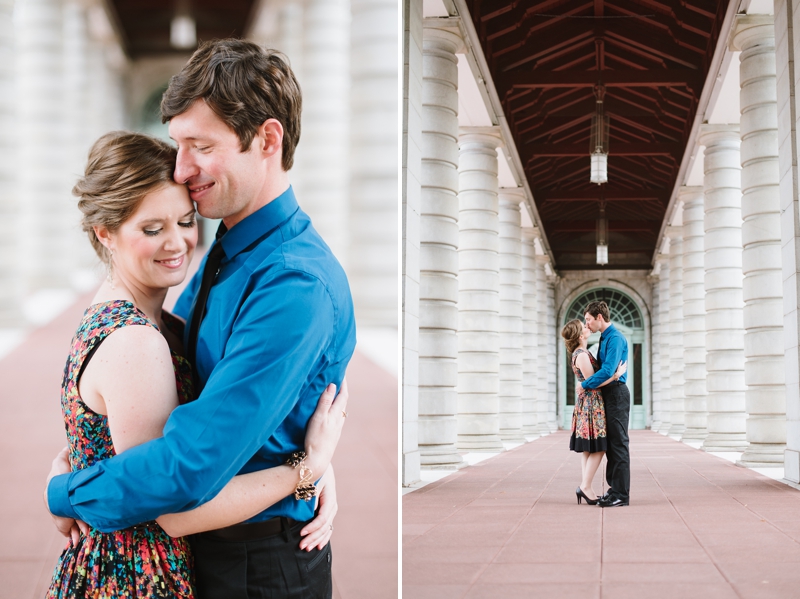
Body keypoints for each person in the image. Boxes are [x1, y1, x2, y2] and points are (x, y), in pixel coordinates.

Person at [45, 40, 356, 598]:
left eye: (200, 146)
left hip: (258, 565)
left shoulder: (292, 283)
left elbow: (187, 466)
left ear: (266, 139)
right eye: (177, 145)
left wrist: (65, 491)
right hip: (208, 546)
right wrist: (308, 466)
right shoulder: (229, 245)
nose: (183, 168)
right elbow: (185, 373)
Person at [561, 319, 626, 506]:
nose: (587, 326)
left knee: (590, 448)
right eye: (584, 326)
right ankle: (585, 486)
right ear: (580, 336)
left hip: (589, 403)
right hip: (592, 404)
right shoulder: (581, 354)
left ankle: (586, 486)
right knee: (600, 447)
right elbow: (593, 382)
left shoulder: (582, 352)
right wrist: (616, 375)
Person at [577, 300, 631, 508]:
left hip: (617, 394)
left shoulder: (616, 338)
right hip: (609, 394)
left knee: (618, 445)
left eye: (589, 319)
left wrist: (585, 384)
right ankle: (613, 489)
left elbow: (608, 371)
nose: (587, 323)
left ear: (599, 317)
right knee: (611, 445)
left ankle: (621, 494)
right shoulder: (605, 337)